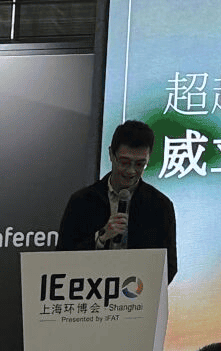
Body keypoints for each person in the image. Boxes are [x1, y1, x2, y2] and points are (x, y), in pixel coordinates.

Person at [57, 120, 178, 283]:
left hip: (137, 293)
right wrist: (101, 238)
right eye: (124, 162)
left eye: (140, 164)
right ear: (111, 155)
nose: (131, 171)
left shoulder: (160, 206)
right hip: (88, 291)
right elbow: (61, 258)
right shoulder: (82, 201)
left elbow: (169, 266)